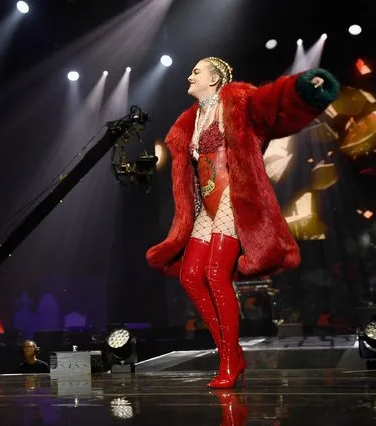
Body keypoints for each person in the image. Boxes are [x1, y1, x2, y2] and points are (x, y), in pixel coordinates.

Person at [145, 57, 340, 388]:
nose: (189, 76)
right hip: (204, 204)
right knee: (191, 277)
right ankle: (231, 353)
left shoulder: (237, 100)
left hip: (233, 197)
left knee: (215, 274)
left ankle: (228, 363)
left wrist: (303, 85)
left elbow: (272, 101)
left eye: (196, 71)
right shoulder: (189, 121)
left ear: (216, 78)